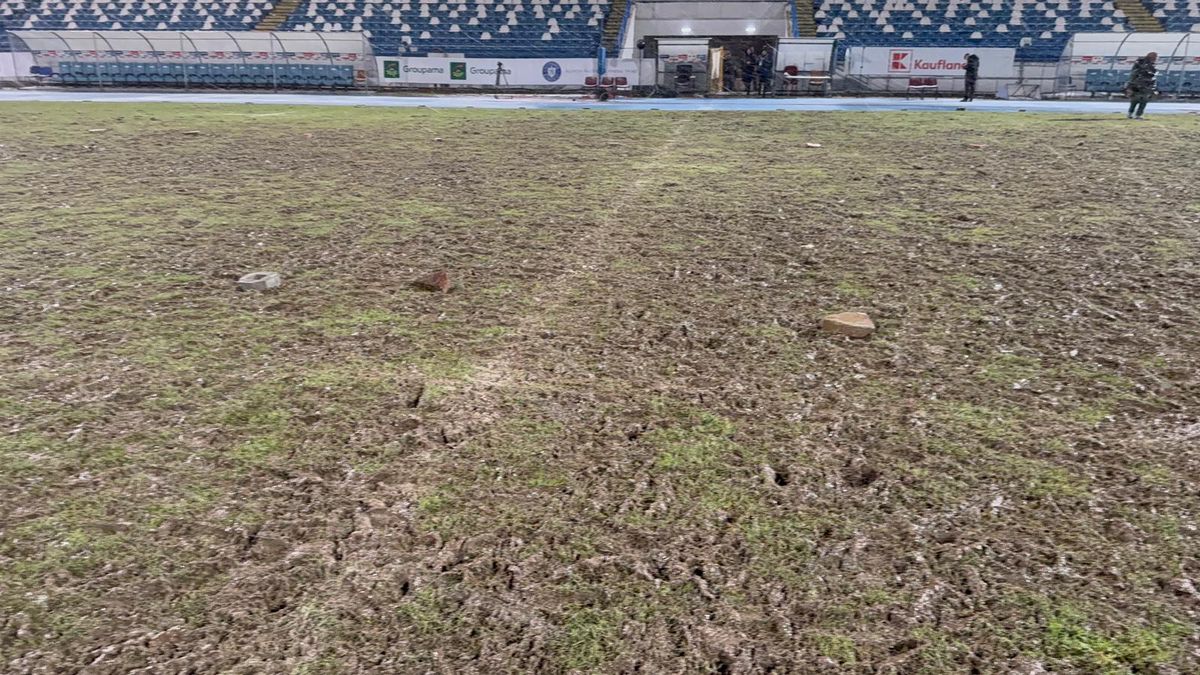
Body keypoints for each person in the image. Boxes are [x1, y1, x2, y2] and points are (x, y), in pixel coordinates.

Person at [1126, 52, 1158, 119]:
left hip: (1144, 84)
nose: (1155, 58)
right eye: (1155, 57)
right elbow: (1135, 73)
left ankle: (1134, 114)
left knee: (1139, 100)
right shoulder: (1143, 63)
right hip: (1140, 84)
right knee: (1138, 100)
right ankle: (1134, 114)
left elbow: (1153, 75)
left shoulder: (1150, 64)